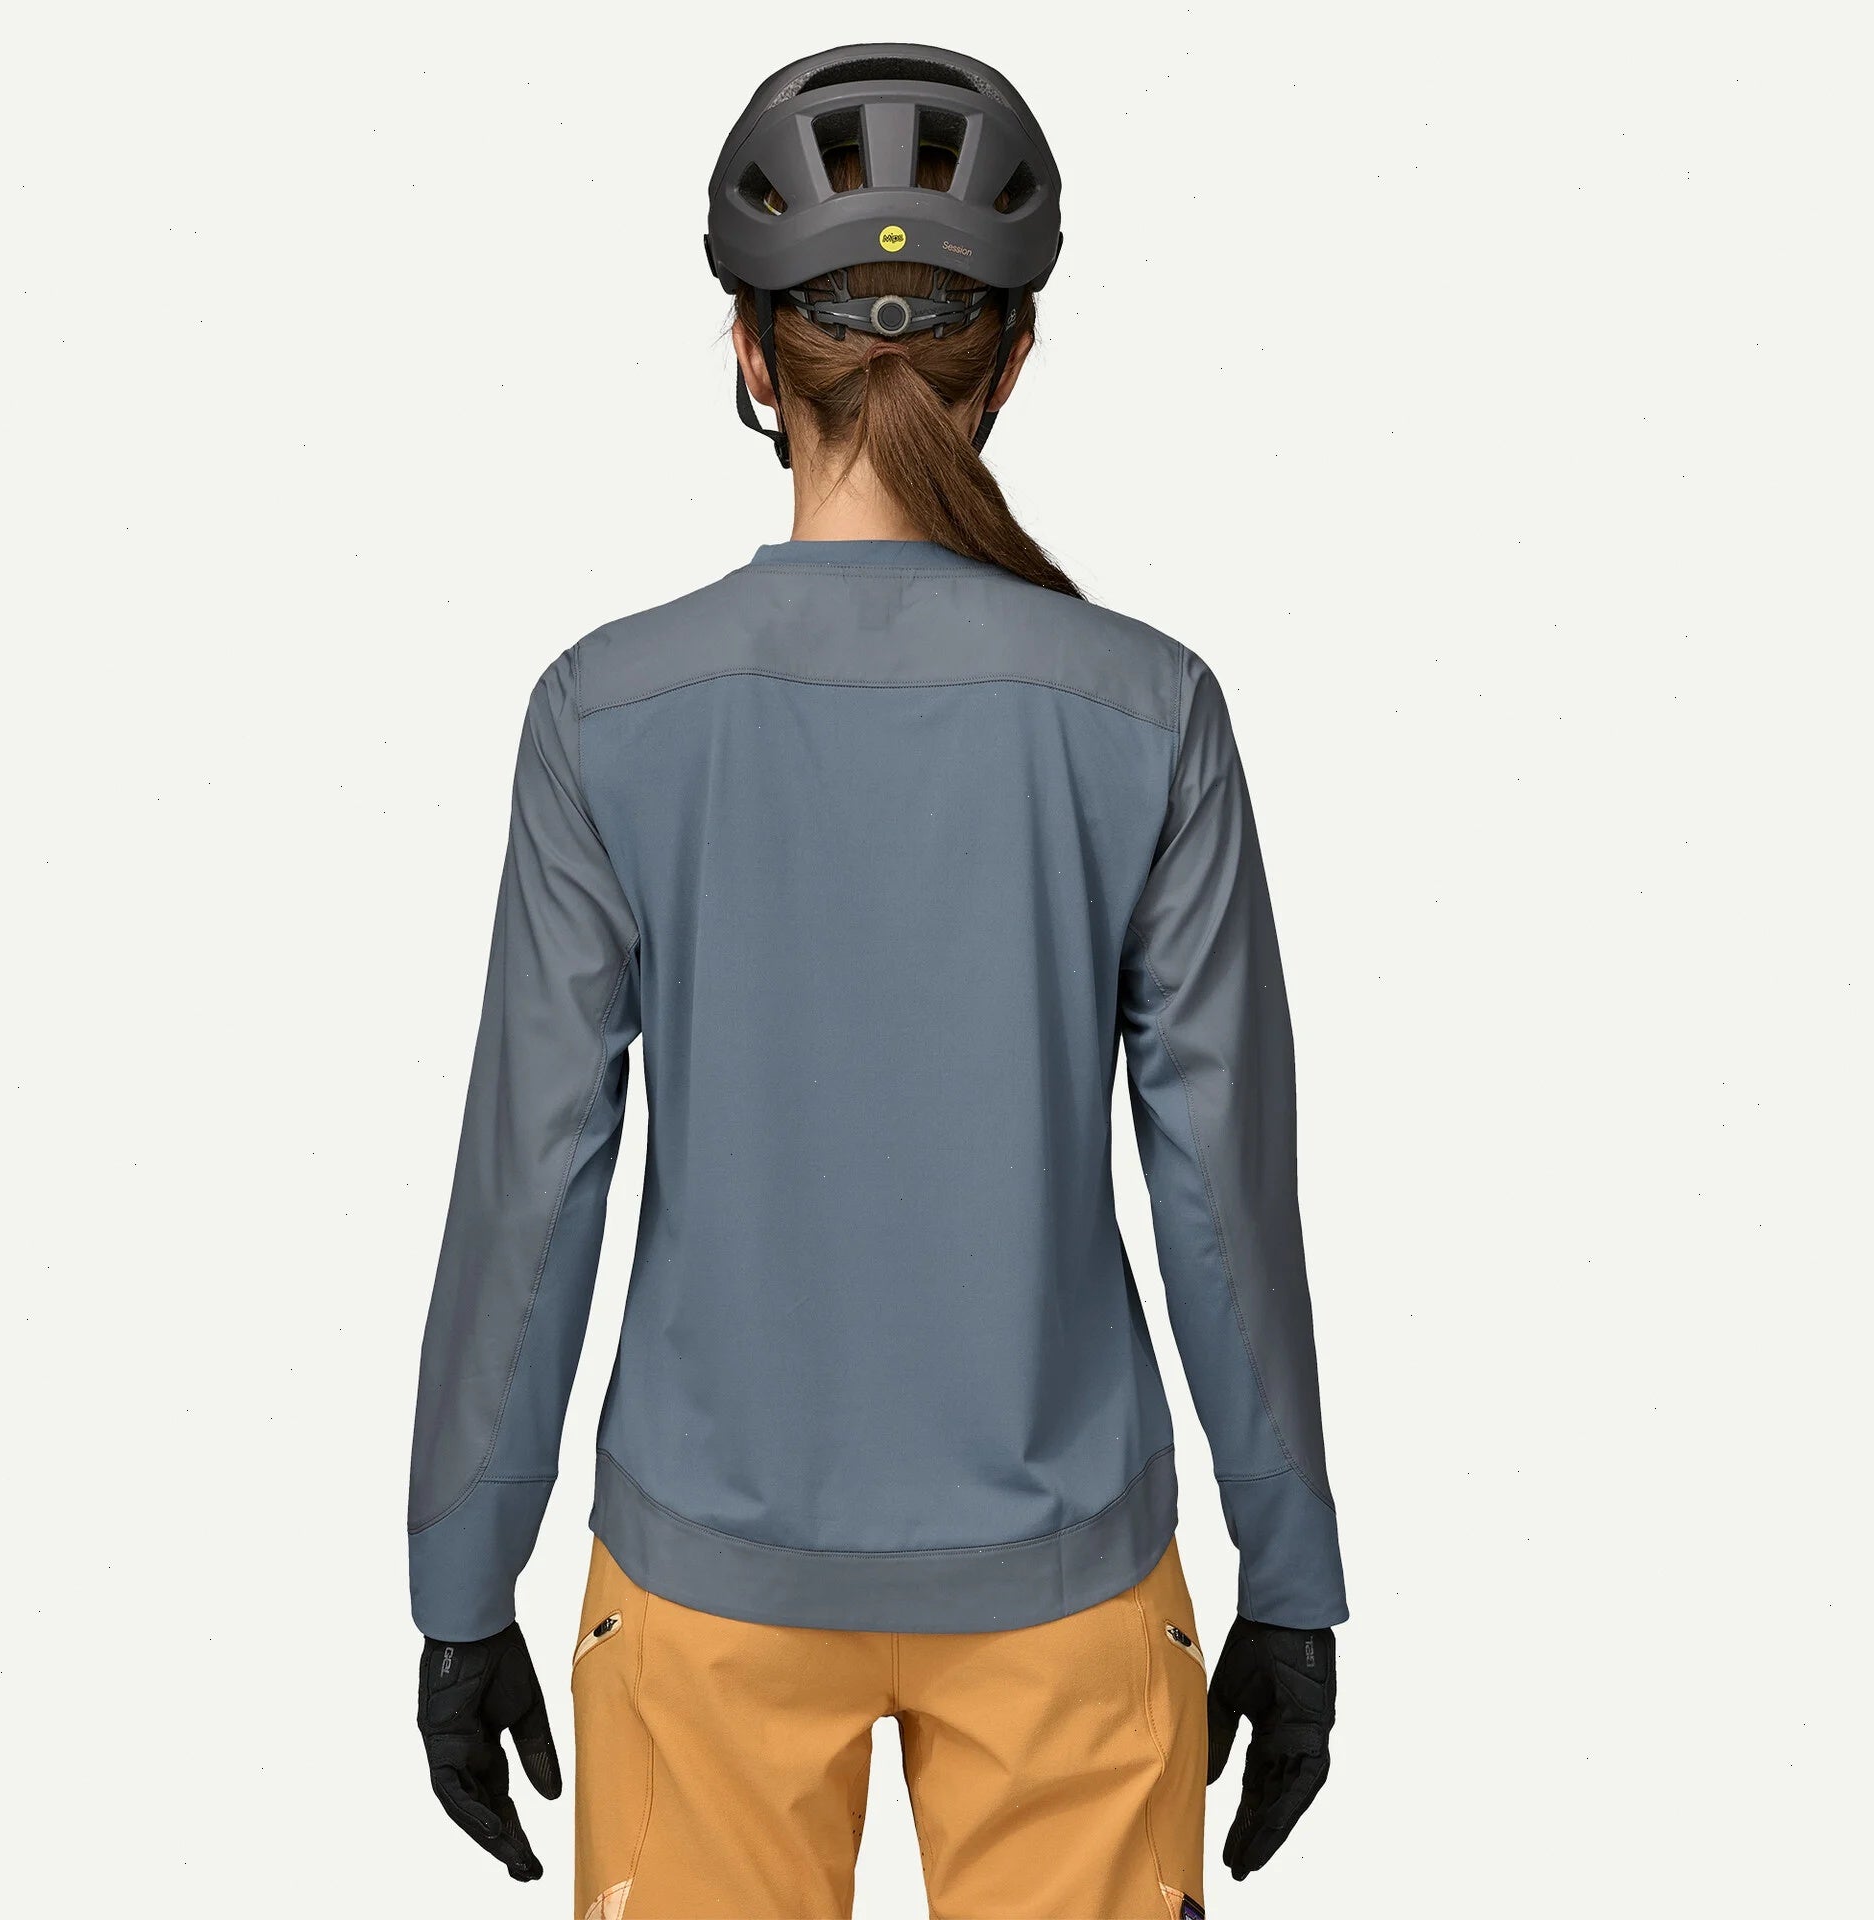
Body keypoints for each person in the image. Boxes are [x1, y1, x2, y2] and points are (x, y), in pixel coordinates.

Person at [409, 43, 1347, 1919]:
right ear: (1013, 362)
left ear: (753, 359)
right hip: (1071, 1592)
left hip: (704, 1592)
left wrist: (461, 1582)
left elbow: (536, 1181)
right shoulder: (1149, 710)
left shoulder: (607, 713)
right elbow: (1222, 1197)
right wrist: (1292, 1573)